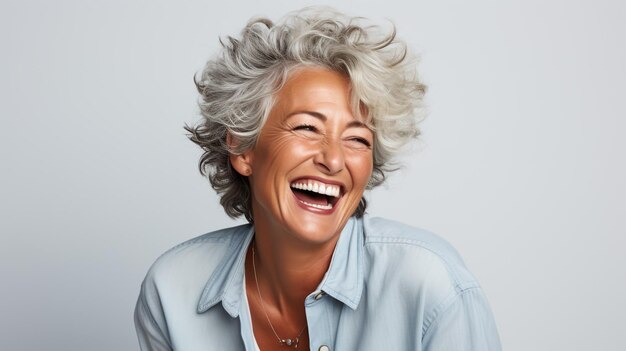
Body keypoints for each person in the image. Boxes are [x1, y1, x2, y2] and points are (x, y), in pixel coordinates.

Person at [134, 7, 501, 351]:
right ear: (243, 149)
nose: (334, 159)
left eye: (357, 139)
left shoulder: (433, 288)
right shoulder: (172, 291)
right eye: (307, 128)